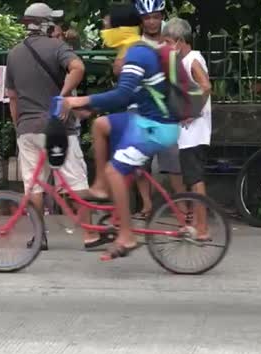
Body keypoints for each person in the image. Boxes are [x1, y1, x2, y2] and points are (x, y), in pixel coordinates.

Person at [60, 3, 179, 260]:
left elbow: (122, 95)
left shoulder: (137, 54)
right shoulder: (133, 50)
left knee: (117, 170)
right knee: (101, 125)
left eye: (106, 27)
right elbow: (126, 98)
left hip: (155, 127)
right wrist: (90, 109)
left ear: (120, 29)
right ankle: (101, 186)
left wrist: (83, 101)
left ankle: (127, 235)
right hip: (143, 119)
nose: (104, 32)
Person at [6, 3, 88, 251]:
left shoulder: (13, 54)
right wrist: (63, 95)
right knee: (77, 181)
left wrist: (19, 126)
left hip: (27, 129)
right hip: (58, 129)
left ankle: (39, 236)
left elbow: (13, 98)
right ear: (45, 24)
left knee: (33, 185)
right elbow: (78, 68)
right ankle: (91, 234)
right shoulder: (57, 47)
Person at [131, 0, 185, 220]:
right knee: (139, 164)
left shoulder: (172, 42)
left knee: (173, 163)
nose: (151, 21)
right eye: (146, 18)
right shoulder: (135, 45)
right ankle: (146, 205)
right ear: (141, 20)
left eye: (155, 16)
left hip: (165, 111)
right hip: (140, 108)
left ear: (162, 16)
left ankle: (182, 207)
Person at [161, 18, 212, 240]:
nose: (166, 47)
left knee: (196, 179)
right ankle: (194, 226)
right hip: (189, 132)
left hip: (195, 132)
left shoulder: (191, 59)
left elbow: (206, 86)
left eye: (169, 42)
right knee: (191, 180)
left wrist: (192, 112)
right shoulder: (185, 59)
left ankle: (202, 229)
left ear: (180, 41)